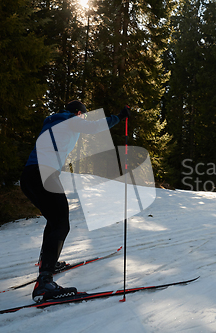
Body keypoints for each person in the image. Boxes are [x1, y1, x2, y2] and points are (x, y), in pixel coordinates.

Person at [20, 100, 130, 302]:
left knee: (54, 220)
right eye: (83, 116)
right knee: (61, 223)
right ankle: (44, 283)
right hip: (45, 175)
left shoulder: (51, 121)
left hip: (29, 176)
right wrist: (119, 117)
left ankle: (48, 263)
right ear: (78, 113)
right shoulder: (70, 119)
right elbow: (95, 127)